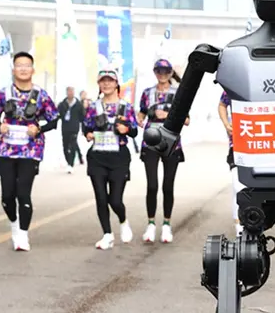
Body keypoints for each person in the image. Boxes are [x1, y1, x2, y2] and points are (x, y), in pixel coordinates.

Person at [0, 51, 59, 251]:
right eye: (19, 65)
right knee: (7, 196)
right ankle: (14, 224)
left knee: (23, 193)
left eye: (26, 65)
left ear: (33, 70)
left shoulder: (41, 95)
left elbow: (54, 120)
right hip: (6, 149)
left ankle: (23, 234)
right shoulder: (4, 93)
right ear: (13, 69)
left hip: (30, 149)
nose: (23, 69)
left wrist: (39, 128)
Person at [83, 68, 139, 250]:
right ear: (99, 84)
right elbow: (86, 128)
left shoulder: (126, 107)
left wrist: (127, 130)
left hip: (119, 158)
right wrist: (88, 134)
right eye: (102, 81)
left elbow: (135, 130)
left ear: (116, 84)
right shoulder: (93, 107)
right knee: (100, 196)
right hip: (97, 156)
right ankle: (107, 234)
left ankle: (123, 221)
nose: (106, 84)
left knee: (115, 199)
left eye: (110, 81)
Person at [137, 59, 187, 243]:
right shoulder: (147, 93)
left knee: (168, 186)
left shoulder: (178, 93)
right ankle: (151, 224)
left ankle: (166, 224)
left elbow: (187, 120)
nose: (162, 74)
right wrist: (140, 118)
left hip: (171, 141)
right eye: (159, 71)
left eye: (166, 71)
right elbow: (141, 112)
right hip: (151, 140)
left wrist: (167, 115)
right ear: (154, 72)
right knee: (152, 185)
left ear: (170, 73)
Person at [218, 89, 244, 236]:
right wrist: (227, 124)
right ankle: (238, 225)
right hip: (238, 144)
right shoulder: (234, 84)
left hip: (263, 143)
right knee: (238, 186)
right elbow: (222, 104)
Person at [58, 86, 85, 172]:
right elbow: (58, 115)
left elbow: (82, 116)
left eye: (72, 91)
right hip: (65, 128)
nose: (70, 93)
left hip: (74, 127)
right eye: (69, 91)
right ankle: (68, 159)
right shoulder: (62, 104)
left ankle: (71, 164)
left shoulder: (78, 104)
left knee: (73, 144)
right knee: (65, 145)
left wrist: (84, 129)